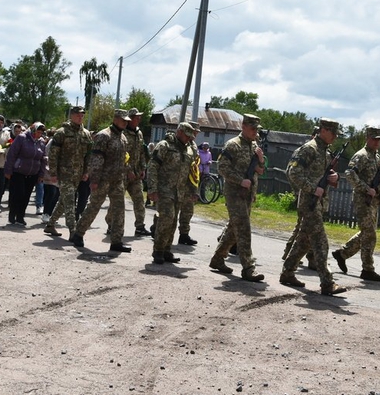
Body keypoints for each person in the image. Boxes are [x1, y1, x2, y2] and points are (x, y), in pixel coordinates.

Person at [279, 118, 347, 296]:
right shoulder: (309, 149)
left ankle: (287, 273)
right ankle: (327, 282)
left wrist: (334, 178)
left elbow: (325, 175)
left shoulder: (325, 152)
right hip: (309, 203)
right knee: (321, 243)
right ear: (323, 130)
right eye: (332, 132)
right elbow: (292, 172)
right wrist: (312, 188)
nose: (335, 136)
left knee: (304, 241)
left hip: (319, 203)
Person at [209, 114, 266, 282]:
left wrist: (261, 160)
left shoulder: (254, 146)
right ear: (244, 127)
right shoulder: (233, 145)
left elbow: (260, 170)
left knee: (234, 228)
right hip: (234, 193)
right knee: (243, 228)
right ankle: (249, 267)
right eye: (253, 128)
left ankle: (218, 259)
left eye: (257, 129)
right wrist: (241, 180)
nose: (255, 132)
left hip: (247, 195)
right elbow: (222, 167)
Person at [331, 124, 380, 282]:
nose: (377, 142)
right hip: (362, 200)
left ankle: (342, 253)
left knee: (367, 233)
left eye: (379, 140)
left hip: (374, 201)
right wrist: (365, 188)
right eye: (374, 139)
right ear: (367, 138)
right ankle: (367, 269)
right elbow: (349, 174)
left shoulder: (376, 157)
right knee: (370, 234)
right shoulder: (361, 155)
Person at [69, 109, 131, 252]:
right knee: (94, 207)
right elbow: (96, 159)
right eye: (123, 120)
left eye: (127, 121)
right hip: (103, 179)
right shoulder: (104, 135)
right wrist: (94, 179)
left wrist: (126, 172)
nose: (126, 123)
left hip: (117, 180)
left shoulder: (123, 138)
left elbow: (124, 159)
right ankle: (78, 233)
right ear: (115, 119)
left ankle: (116, 241)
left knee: (119, 210)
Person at [146, 122, 199, 265]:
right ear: (180, 132)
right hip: (164, 190)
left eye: (190, 136)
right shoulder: (165, 146)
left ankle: (166, 250)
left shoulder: (188, 150)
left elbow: (191, 173)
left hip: (179, 192)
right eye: (187, 135)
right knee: (166, 219)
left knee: (173, 222)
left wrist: (193, 191)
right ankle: (158, 250)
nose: (189, 139)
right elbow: (152, 167)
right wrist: (152, 189)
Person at [44, 106, 93, 239]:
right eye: (77, 114)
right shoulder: (61, 132)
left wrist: (86, 171)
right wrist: (53, 173)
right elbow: (53, 154)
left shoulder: (86, 134)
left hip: (77, 174)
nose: (80, 117)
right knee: (70, 201)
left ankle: (50, 224)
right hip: (64, 173)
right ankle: (73, 230)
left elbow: (88, 155)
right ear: (71, 115)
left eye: (82, 114)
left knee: (64, 201)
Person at [115, 108, 151, 237]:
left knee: (139, 200)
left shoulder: (139, 133)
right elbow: (121, 154)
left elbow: (141, 152)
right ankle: (111, 224)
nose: (139, 119)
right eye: (136, 117)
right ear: (130, 119)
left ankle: (140, 226)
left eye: (139, 117)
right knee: (118, 201)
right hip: (124, 174)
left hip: (136, 174)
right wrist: (128, 169)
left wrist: (143, 168)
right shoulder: (122, 133)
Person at [4, 121, 47, 227]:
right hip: (18, 171)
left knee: (26, 196)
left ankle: (20, 217)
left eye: (41, 132)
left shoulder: (41, 142)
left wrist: (41, 174)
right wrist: (8, 170)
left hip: (33, 174)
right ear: (33, 130)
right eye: (37, 131)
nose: (39, 134)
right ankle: (12, 214)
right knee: (18, 194)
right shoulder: (22, 138)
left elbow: (43, 159)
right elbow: (11, 154)